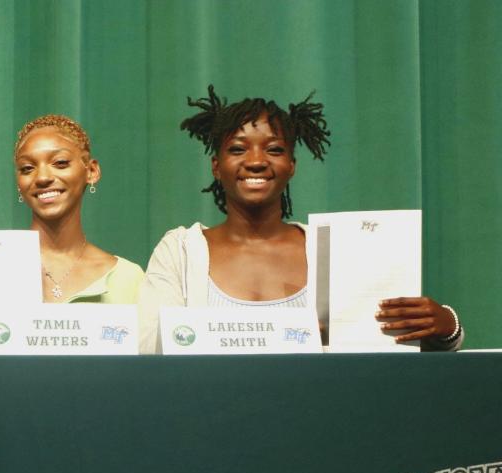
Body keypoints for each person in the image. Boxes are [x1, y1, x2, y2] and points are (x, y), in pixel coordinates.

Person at [138, 85, 462, 353]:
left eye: (274, 150)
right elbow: (149, 351)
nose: (255, 161)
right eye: (237, 149)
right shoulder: (179, 252)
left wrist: (447, 327)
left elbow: (386, 341)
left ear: (292, 165)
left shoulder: (334, 249)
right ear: (216, 166)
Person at [0, 114, 144, 349]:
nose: (42, 177)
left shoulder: (129, 279)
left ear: (91, 171)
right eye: (27, 168)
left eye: (60, 163)